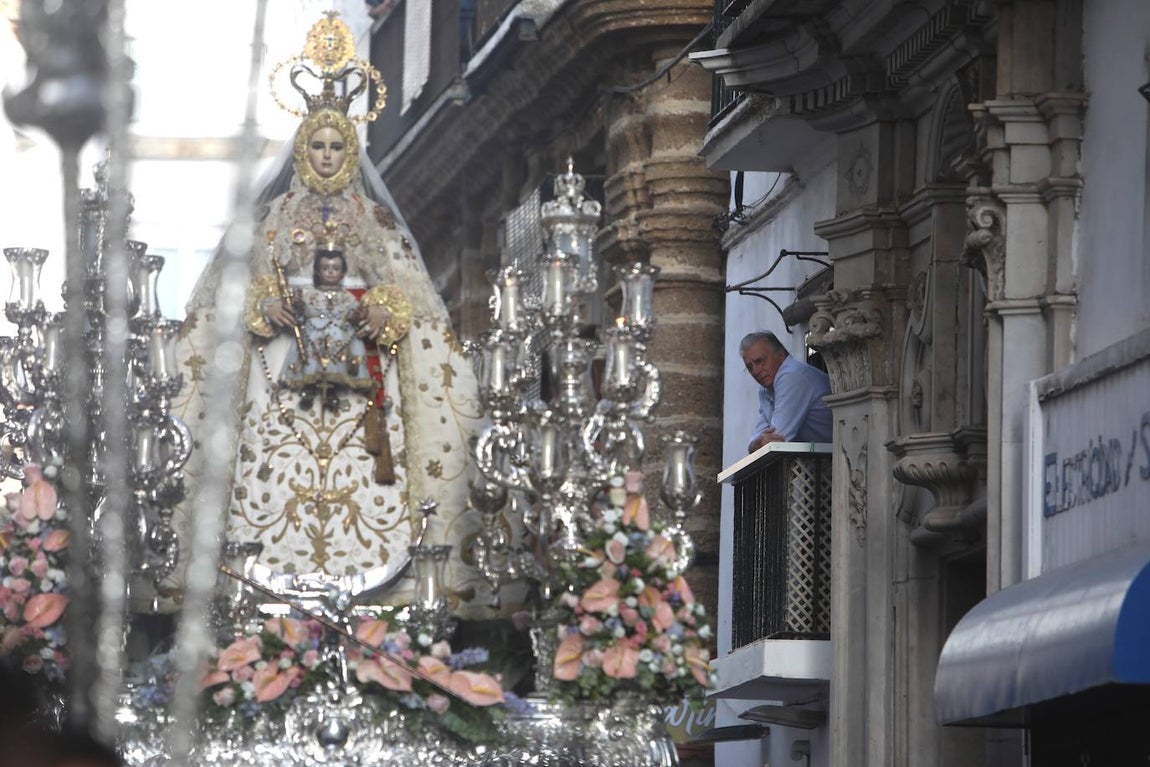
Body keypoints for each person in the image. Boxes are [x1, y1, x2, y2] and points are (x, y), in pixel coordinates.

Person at [167, 15, 484, 608]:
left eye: (339, 145)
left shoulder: (376, 222)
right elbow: (231, 294)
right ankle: (247, 571)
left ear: (352, 149)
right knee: (261, 467)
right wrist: (266, 307)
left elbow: (408, 296)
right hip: (278, 376)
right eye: (318, 144)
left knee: (372, 469)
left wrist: (382, 312)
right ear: (302, 148)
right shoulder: (270, 219)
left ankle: (392, 572)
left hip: (362, 377)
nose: (329, 154)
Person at [279, 247, 375, 411]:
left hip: (340, 338)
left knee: (337, 362)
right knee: (310, 360)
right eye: (325, 268)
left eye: (335, 268)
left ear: (343, 272)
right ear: (317, 271)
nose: (330, 272)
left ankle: (332, 391)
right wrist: (298, 306)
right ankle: (308, 389)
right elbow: (300, 317)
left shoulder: (347, 297)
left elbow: (354, 314)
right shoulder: (309, 294)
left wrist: (359, 314)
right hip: (313, 335)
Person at [741, 330, 833, 452]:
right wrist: (755, 444)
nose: (755, 371)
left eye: (760, 361)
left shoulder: (792, 375)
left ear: (780, 354)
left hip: (839, 459)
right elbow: (757, 440)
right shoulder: (765, 390)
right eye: (750, 367)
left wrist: (758, 443)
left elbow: (778, 439)